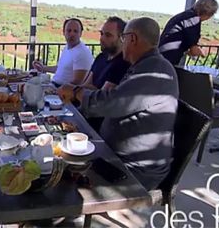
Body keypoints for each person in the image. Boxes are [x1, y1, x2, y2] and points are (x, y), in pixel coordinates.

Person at [58, 17, 178, 190]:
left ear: (132, 39)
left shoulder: (155, 70)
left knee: (63, 182)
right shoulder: (144, 65)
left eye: (124, 37)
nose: (123, 42)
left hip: (134, 168)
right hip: (114, 153)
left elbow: (113, 103)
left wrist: (77, 92)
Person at [159, 0, 219, 65]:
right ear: (209, 14)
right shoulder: (193, 21)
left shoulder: (185, 16)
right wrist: (203, 52)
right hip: (168, 60)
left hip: (160, 55)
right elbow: (194, 51)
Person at [32, 18, 93, 86]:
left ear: (80, 33)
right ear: (64, 32)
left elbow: (77, 82)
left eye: (75, 31)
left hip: (63, 91)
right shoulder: (67, 48)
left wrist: (55, 90)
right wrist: (43, 68)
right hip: (54, 85)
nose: (72, 34)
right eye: (69, 31)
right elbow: (60, 68)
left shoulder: (82, 53)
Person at [81, 16, 130, 90]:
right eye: (101, 34)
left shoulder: (123, 63)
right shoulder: (101, 57)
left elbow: (103, 96)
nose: (102, 38)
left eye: (108, 35)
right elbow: (86, 85)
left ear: (122, 38)